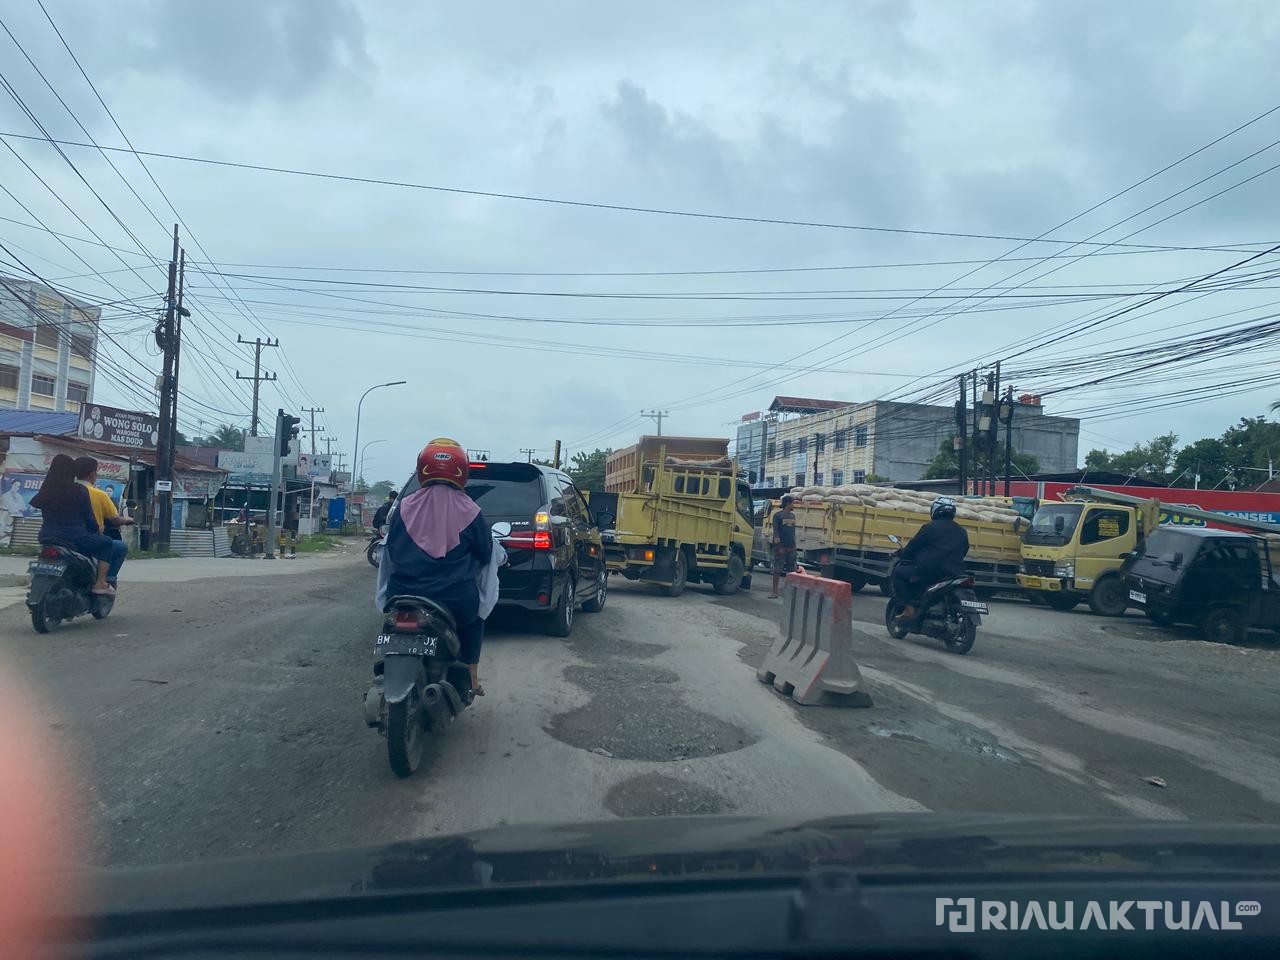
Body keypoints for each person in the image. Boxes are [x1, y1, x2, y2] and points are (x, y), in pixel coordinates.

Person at [376, 438, 492, 696]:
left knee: (389, 621)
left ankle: (385, 667)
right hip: (454, 598)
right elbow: (485, 553)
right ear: (462, 471)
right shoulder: (471, 510)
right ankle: (471, 679)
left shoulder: (404, 506)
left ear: (422, 469)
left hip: (401, 593)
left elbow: (391, 550)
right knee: (475, 620)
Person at [31, 454, 114, 596]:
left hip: (47, 537)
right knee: (107, 542)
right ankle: (100, 583)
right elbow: (89, 518)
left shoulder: (46, 491)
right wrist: (95, 529)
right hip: (75, 538)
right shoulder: (79, 491)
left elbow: (38, 505)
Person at [891, 496, 970, 622]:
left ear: (935, 510)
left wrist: (901, 553)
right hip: (954, 573)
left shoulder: (929, 527)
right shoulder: (962, 531)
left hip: (929, 572)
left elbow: (913, 547)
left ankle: (909, 607)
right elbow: (965, 550)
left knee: (898, 573)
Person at [71, 458, 133, 587]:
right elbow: (115, 519)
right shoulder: (99, 495)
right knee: (120, 547)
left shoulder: (65, 492)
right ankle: (105, 581)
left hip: (63, 537)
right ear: (92, 474)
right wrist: (128, 520)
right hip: (88, 538)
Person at [768, 495, 798, 598]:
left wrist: (794, 546)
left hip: (791, 547)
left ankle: (789, 592)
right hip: (781, 548)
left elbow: (792, 532)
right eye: (792, 503)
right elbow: (776, 532)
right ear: (788, 503)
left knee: (791, 572)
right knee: (777, 570)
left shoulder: (793, 516)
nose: (793, 505)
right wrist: (778, 546)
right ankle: (774, 592)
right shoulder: (778, 516)